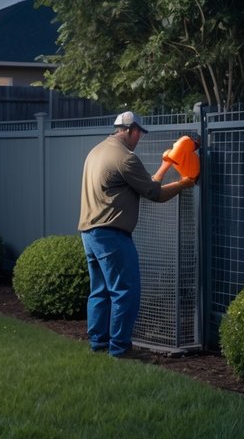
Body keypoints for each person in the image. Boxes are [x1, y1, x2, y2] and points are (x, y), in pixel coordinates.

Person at [79, 111, 197, 358]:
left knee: (100, 291)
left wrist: (165, 168)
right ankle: (120, 350)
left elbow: (147, 186)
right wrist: (183, 184)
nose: (139, 139)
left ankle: (98, 344)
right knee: (125, 291)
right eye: (139, 134)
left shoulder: (96, 151)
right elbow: (155, 194)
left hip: (89, 233)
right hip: (111, 234)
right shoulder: (125, 158)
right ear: (131, 130)